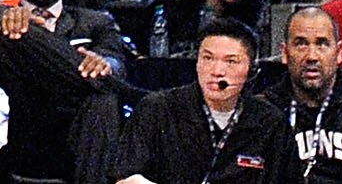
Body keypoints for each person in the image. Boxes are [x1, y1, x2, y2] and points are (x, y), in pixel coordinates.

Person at [0, 0, 126, 184]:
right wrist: (4, 27)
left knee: (103, 98)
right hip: (23, 135)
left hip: (80, 135)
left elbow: (117, 62)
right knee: (16, 34)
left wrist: (104, 64)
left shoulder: (94, 21)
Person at [119, 19, 292, 184]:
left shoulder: (270, 123)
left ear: (251, 70)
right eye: (208, 58)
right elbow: (126, 178)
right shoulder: (158, 109)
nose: (217, 71)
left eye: (231, 61)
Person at [267, 4, 342, 184]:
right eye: (301, 44)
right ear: (284, 53)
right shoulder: (266, 109)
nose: (312, 56)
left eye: (322, 44)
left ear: (338, 53)